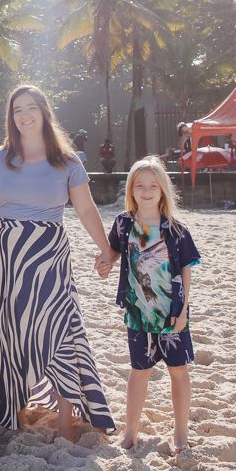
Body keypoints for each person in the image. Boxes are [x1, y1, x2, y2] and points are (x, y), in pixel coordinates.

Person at [0, 85, 116, 439]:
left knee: (58, 329)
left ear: (45, 112)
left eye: (31, 108)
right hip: (8, 253)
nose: (24, 115)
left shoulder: (67, 160)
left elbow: (86, 208)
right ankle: (8, 410)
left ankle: (65, 420)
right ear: (10, 117)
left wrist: (106, 249)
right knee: (8, 330)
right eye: (17, 110)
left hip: (49, 254)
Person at [100, 156, 202, 453]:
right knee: (138, 371)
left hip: (171, 313)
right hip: (138, 313)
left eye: (153, 186)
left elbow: (186, 270)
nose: (146, 191)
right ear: (131, 189)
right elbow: (113, 252)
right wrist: (105, 263)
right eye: (140, 185)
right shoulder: (123, 224)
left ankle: (181, 435)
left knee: (178, 370)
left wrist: (182, 311)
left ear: (163, 191)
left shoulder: (176, 229)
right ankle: (130, 433)